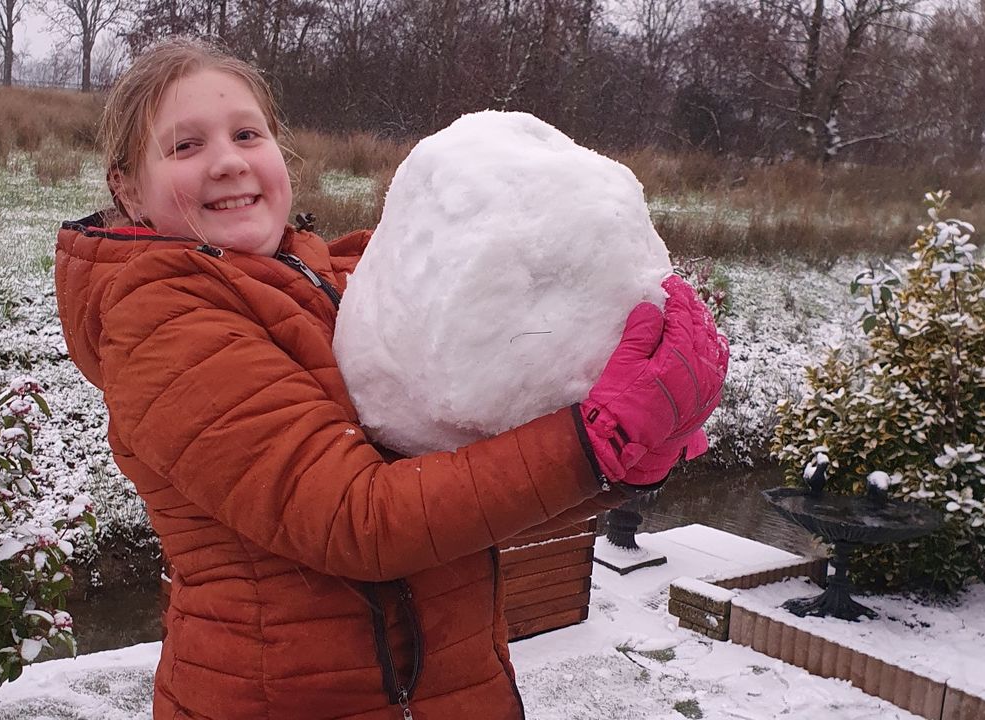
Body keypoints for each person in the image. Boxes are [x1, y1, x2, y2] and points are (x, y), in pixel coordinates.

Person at [54, 37, 728, 720]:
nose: (228, 161)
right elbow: (356, 517)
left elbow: (475, 489)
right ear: (126, 187)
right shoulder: (158, 323)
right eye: (185, 146)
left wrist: (631, 458)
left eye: (246, 133)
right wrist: (592, 442)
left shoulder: (346, 280)